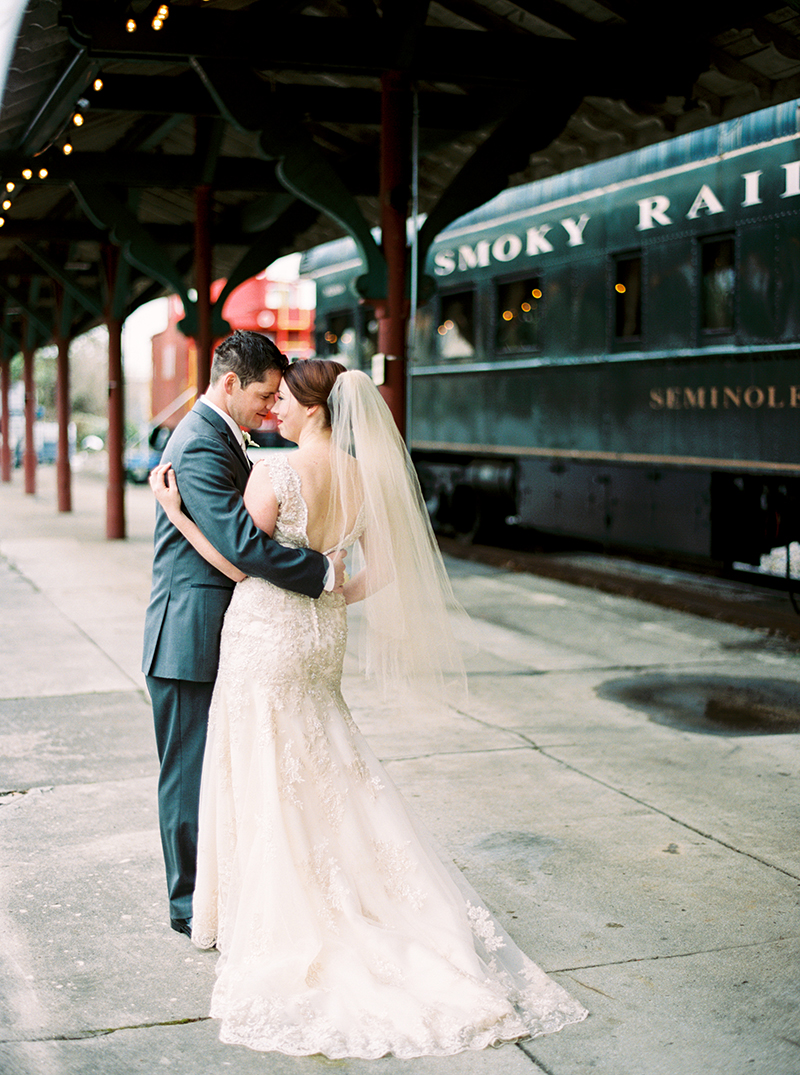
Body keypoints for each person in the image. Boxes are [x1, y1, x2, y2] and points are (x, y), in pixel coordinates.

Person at [149, 359, 588, 1058]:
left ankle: (279, 907)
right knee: (325, 758)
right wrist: (333, 593)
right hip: (322, 637)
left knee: (269, 766)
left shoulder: (278, 473)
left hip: (268, 633)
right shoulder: (360, 477)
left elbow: (240, 563)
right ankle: (353, 891)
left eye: (285, 401)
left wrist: (176, 514)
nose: (276, 413)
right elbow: (379, 569)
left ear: (316, 410)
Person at [142, 331, 344, 941]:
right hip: (190, 632)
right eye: (263, 394)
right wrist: (323, 572)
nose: (270, 406)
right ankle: (188, 907)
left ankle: (221, 895)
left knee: (221, 772)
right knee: (188, 775)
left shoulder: (224, 437)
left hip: (229, 628)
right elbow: (241, 546)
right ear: (230, 383)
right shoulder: (200, 444)